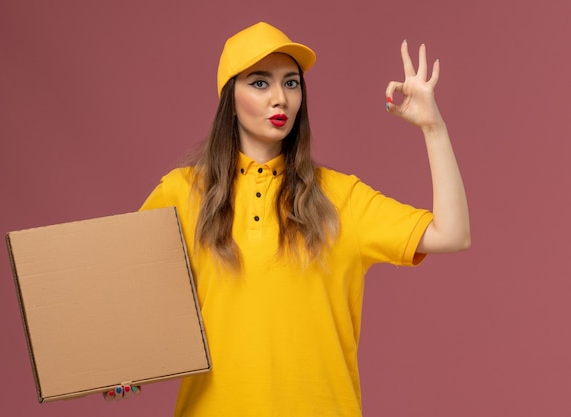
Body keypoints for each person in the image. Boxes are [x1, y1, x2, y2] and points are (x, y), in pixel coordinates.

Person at [105, 21, 470, 416]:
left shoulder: (340, 197)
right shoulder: (182, 192)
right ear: (229, 97)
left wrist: (434, 128)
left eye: (291, 83)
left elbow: (451, 234)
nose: (280, 98)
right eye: (260, 83)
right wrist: (117, 367)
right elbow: (127, 296)